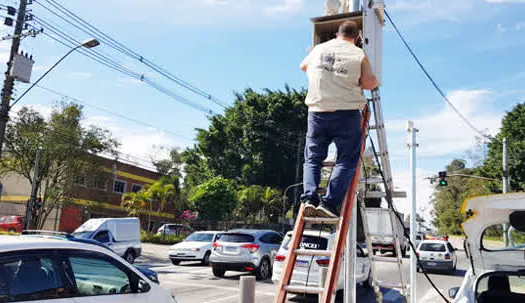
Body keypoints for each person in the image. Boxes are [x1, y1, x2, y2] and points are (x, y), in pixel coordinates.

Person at [299, 21, 378, 218]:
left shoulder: (319, 49)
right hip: (346, 113)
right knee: (347, 159)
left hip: (317, 111)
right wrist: (375, 79)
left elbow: (303, 66)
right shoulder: (358, 53)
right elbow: (369, 83)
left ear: (336, 34)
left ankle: (309, 198)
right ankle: (329, 203)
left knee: (313, 158)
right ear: (357, 38)